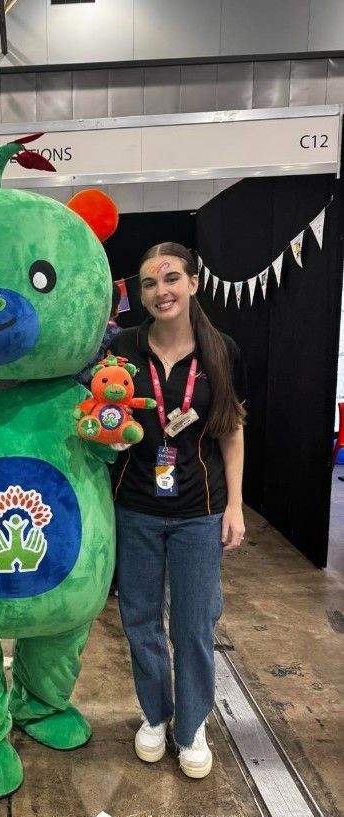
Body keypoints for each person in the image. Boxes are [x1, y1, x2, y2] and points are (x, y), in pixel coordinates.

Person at [109, 242, 246, 780]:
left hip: (199, 511)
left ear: (192, 283)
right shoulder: (122, 346)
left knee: (193, 625)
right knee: (139, 620)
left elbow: (232, 430)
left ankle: (191, 725)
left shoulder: (222, 351)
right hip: (135, 508)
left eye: (170, 278)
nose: (160, 291)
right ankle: (154, 714)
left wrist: (235, 504)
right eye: (148, 283)